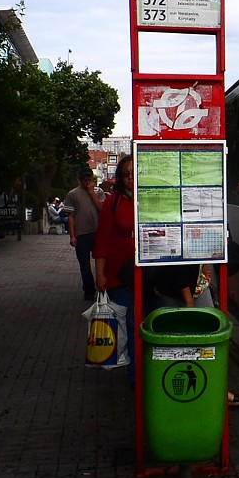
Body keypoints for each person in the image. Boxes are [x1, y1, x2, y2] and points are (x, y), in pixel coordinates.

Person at [147, 262, 239, 407]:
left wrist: (204, 268)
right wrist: (188, 300)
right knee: (177, 343)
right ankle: (189, 394)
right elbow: (178, 264)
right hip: (175, 286)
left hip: (196, 284)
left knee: (211, 337)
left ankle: (218, 390)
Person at [94, 155, 138, 385]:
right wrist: (99, 273)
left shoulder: (154, 198)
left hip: (149, 276)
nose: (131, 178)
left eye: (134, 173)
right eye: (126, 175)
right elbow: (102, 239)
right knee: (129, 322)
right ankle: (135, 375)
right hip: (119, 276)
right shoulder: (114, 202)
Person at [65, 167, 104, 300]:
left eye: (89, 178)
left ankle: (104, 286)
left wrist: (92, 193)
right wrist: (72, 235)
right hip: (81, 233)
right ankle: (89, 290)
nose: (87, 180)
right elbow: (71, 216)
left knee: (101, 261)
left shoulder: (98, 192)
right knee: (84, 264)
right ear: (80, 179)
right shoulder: (73, 194)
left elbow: (102, 208)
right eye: (84, 178)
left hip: (98, 232)